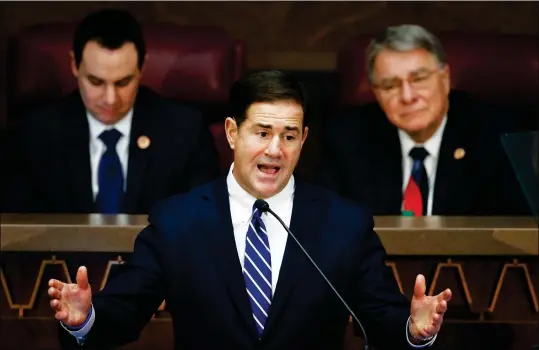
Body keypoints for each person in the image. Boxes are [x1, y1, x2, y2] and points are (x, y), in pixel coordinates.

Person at [48, 70, 452, 350]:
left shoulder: (343, 223)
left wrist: (414, 331)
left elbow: (381, 316)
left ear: (304, 138)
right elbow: (126, 311)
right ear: (231, 132)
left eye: (289, 136)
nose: (275, 150)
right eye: (262, 132)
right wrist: (85, 318)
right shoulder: (178, 222)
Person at [6, 9, 220, 214]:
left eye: (123, 82)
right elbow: (18, 232)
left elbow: (202, 227)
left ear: (142, 68)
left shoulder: (185, 132)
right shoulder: (35, 135)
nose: (110, 99)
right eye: (96, 82)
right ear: (75, 65)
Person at [317, 24, 530, 216]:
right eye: (391, 85)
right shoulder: (347, 139)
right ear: (376, 92)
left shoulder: (497, 137)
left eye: (419, 79)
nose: (408, 96)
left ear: (445, 78)